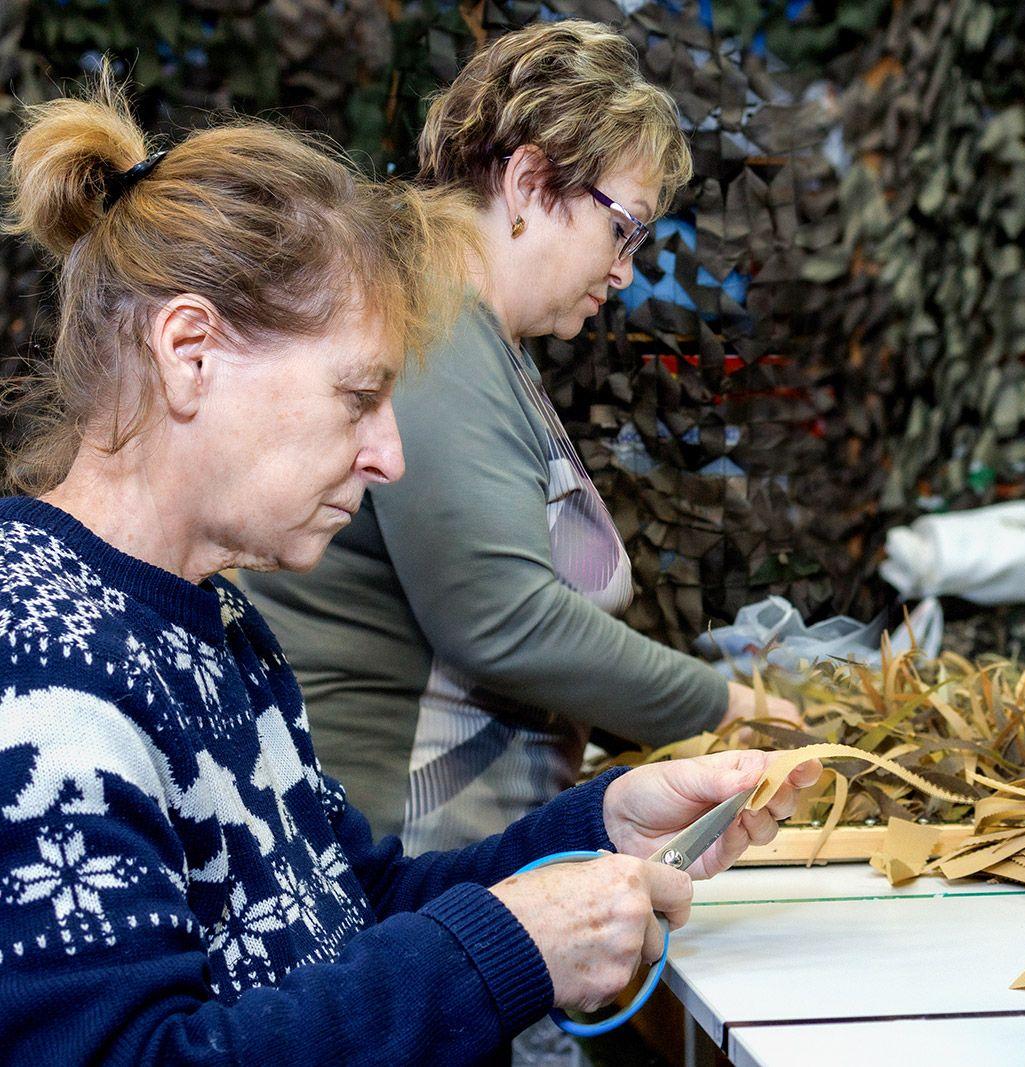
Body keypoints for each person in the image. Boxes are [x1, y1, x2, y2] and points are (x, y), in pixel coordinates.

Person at [0, 79, 817, 1064]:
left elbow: (361, 903)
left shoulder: (217, 625)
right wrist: (509, 948)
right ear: (189, 352)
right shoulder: (42, 676)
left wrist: (596, 831)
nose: (390, 455)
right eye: (357, 396)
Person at [241, 19, 800, 859]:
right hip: (396, 846)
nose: (627, 270)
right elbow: (501, 617)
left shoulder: (465, 332)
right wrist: (721, 705)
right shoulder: (431, 329)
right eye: (625, 228)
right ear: (532, 183)